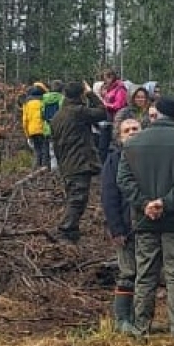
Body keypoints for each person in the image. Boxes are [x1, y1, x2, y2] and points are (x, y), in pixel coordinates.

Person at [116, 96, 174, 339]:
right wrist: (166, 203)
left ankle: (141, 327)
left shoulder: (133, 143)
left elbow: (123, 180)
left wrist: (145, 204)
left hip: (145, 220)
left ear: (156, 114)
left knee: (145, 275)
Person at [50, 81, 110, 244]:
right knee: (78, 199)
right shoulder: (77, 112)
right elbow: (102, 112)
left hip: (66, 163)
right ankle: (66, 231)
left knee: (73, 197)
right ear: (81, 94)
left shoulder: (58, 116)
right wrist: (91, 93)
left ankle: (72, 232)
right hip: (79, 162)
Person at [101, 117, 144, 335]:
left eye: (136, 128)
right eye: (127, 130)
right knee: (128, 272)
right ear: (120, 136)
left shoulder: (149, 157)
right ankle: (122, 319)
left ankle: (139, 319)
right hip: (125, 228)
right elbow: (108, 197)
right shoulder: (114, 160)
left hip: (147, 227)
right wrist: (116, 229)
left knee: (146, 275)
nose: (132, 132)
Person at [22, 84, 49, 169]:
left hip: (32, 131)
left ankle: (35, 169)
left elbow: (25, 121)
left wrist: (27, 135)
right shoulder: (44, 102)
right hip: (43, 130)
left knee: (37, 151)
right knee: (45, 151)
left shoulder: (26, 104)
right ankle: (44, 170)